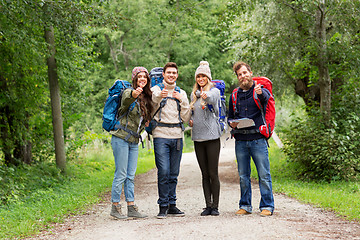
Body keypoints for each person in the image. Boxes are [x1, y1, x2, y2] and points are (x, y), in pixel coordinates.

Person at [228, 61, 274, 217]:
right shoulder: (234, 95)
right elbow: (230, 116)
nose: (243, 76)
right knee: (243, 176)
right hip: (240, 140)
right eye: (240, 74)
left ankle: (267, 206)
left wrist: (261, 93)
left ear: (250, 73)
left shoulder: (260, 90)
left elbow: (266, 100)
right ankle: (245, 205)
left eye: (245, 73)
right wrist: (232, 124)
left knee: (264, 174)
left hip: (258, 140)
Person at [109, 67, 153, 220]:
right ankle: (115, 206)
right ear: (134, 79)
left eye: (145, 77)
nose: (142, 79)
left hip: (134, 140)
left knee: (130, 175)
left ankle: (131, 206)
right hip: (120, 138)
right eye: (139, 76)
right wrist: (135, 93)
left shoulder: (146, 98)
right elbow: (128, 98)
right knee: (120, 174)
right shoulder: (128, 92)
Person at [151, 62, 191, 219]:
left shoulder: (182, 93)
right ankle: (162, 206)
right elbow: (152, 100)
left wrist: (182, 100)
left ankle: (172, 205)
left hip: (177, 136)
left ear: (177, 75)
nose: (171, 75)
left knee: (174, 173)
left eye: (174, 73)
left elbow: (186, 117)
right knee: (164, 171)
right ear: (163, 74)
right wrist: (159, 96)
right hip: (160, 134)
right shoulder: (156, 90)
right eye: (169, 72)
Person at [189, 61, 222, 216]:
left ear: (208, 78)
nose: (200, 78)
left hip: (212, 138)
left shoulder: (214, 91)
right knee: (204, 174)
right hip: (198, 138)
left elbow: (211, 99)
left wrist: (205, 95)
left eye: (203, 76)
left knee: (213, 173)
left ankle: (215, 206)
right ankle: (207, 205)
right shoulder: (193, 95)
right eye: (198, 76)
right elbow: (192, 114)